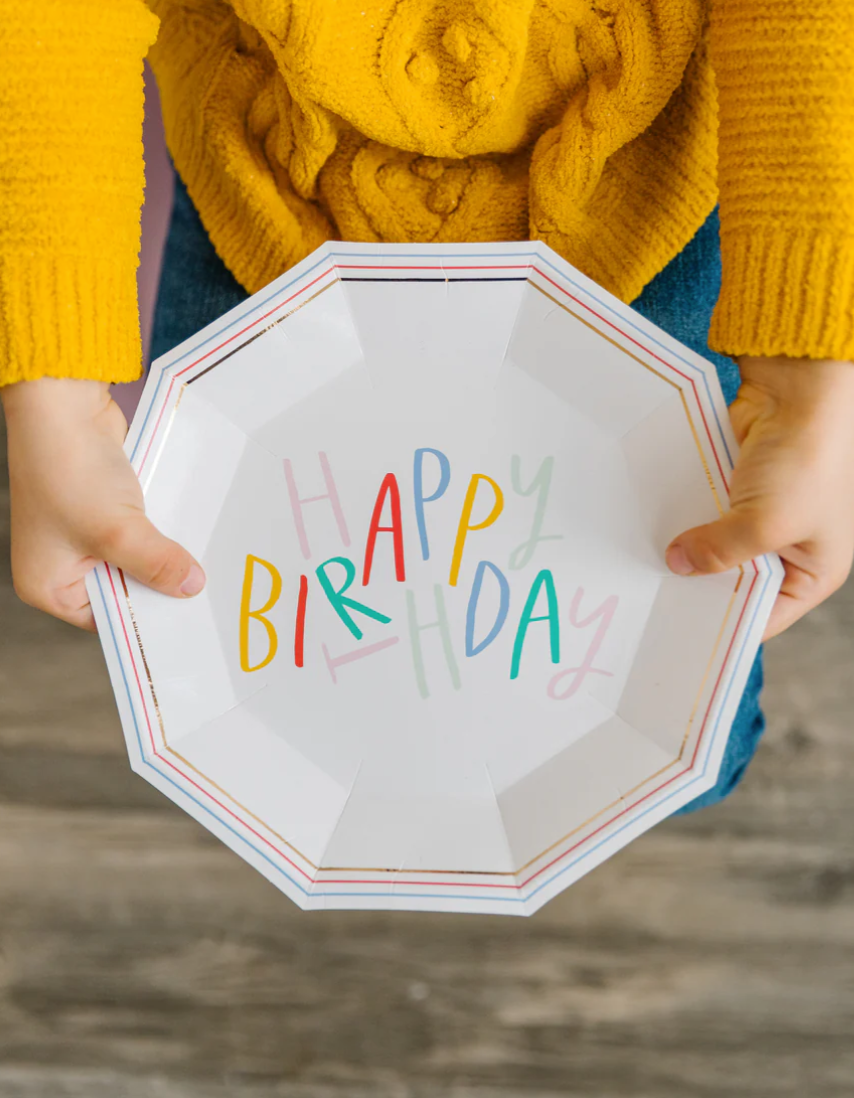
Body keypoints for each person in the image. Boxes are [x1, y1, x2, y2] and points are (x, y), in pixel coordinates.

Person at [1, 1, 853, 811]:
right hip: (265, 165)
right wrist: (54, 395)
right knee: (264, 719)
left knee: (668, 746)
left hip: (638, 173)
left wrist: (809, 375)